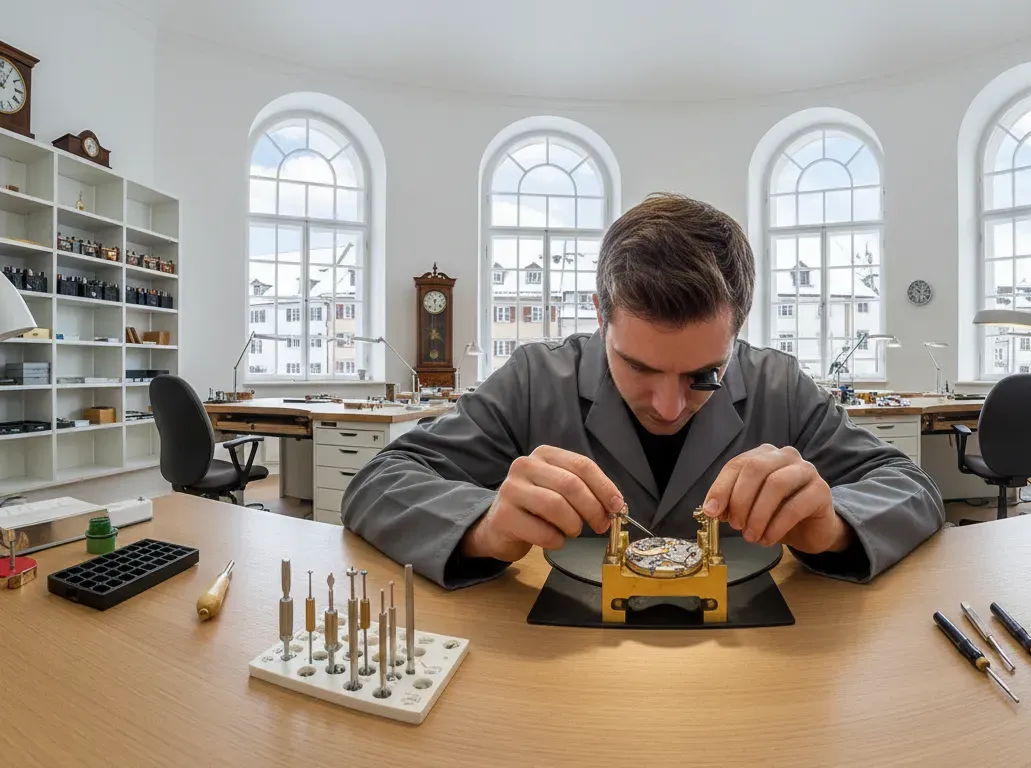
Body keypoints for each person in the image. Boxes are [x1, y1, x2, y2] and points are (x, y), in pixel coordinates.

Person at [343, 194, 944, 589]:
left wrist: (832, 526)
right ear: (600, 314)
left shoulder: (779, 384)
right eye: (638, 368)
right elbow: (378, 481)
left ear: (739, 329)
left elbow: (913, 489)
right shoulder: (532, 378)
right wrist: (483, 528)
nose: (669, 406)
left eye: (702, 374)